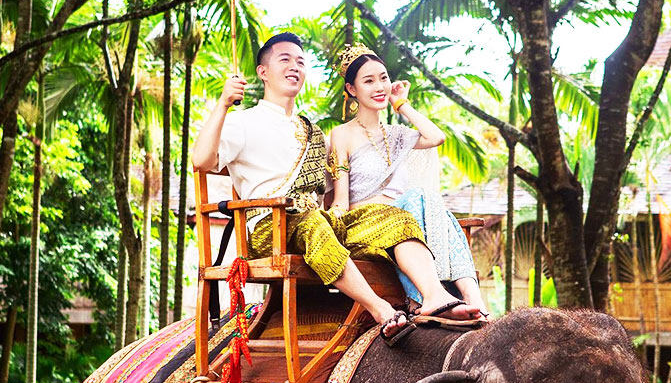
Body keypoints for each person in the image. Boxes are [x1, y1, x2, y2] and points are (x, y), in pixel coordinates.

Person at [191, 32, 482, 344]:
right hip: (267, 227)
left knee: (394, 219)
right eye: (285, 60)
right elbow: (201, 160)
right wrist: (223, 104)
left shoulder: (311, 130)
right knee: (313, 223)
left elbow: (332, 197)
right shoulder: (242, 122)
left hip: (318, 221)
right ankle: (381, 310)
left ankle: (434, 297)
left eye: (300, 62)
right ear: (263, 72)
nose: (295, 67)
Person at [328, 44, 488, 317]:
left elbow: (436, 137)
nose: (379, 86)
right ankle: (423, 297)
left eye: (383, 78)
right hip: (367, 221)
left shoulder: (396, 134)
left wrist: (402, 104)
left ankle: (474, 298)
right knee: (418, 197)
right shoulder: (341, 135)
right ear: (352, 90)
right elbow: (341, 200)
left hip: (406, 217)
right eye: (368, 81)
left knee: (431, 203)